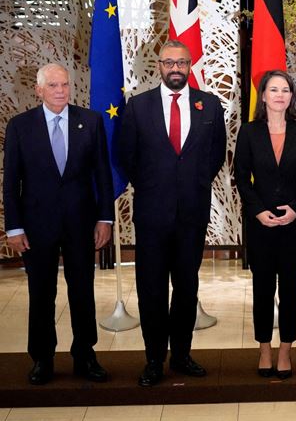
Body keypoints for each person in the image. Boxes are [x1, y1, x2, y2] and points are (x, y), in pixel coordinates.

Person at [119, 40, 226, 387]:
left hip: (192, 213)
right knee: (151, 288)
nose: (176, 68)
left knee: (186, 286)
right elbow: (127, 156)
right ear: (159, 66)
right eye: (169, 63)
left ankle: (181, 355)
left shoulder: (209, 105)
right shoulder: (138, 107)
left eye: (181, 63)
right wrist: (154, 186)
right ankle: (154, 359)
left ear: (190, 65)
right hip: (152, 214)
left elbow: (216, 154)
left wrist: (193, 184)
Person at [2, 63, 114, 385]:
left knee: (83, 291)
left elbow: (103, 174)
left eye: (65, 84)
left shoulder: (90, 121)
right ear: (39, 90)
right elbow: (11, 181)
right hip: (36, 227)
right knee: (41, 293)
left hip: (81, 223)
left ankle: (85, 355)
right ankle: (42, 358)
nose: (61, 91)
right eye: (53, 85)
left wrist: (105, 218)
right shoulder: (20, 126)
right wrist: (14, 227)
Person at [234, 70, 296, 380]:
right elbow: (241, 177)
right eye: (274, 90)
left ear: (291, 96)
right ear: (264, 96)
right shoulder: (249, 132)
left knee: (291, 289)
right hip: (261, 225)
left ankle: (285, 350)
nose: (280, 95)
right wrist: (257, 211)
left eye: (285, 90)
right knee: (263, 289)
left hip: (294, 224)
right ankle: (264, 349)